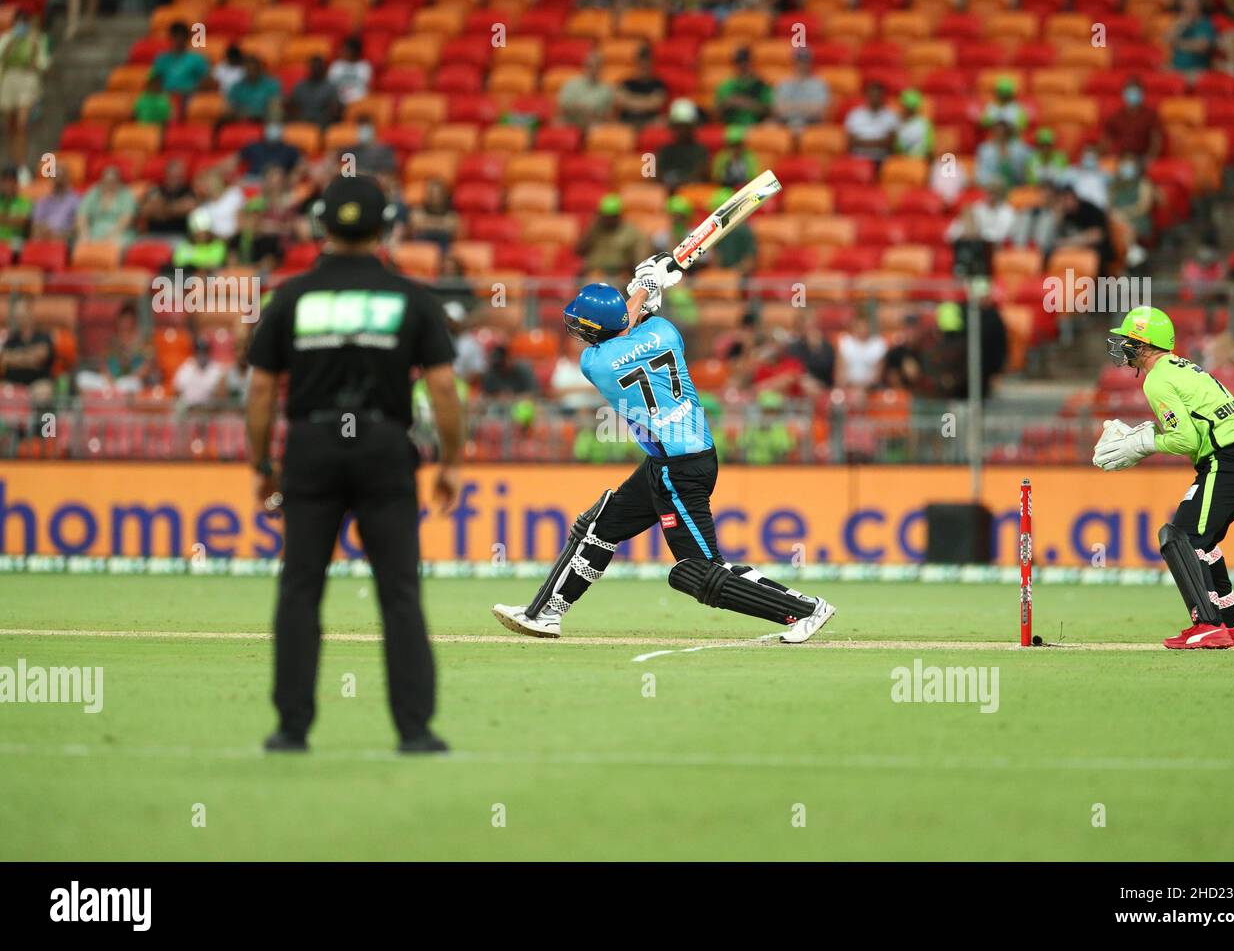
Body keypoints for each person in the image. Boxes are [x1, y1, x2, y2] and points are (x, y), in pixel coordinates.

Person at [491, 261, 836, 644]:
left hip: (680, 469)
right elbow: (634, 320)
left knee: (696, 570)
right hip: (673, 459)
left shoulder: (596, 363)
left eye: (581, 326)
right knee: (599, 525)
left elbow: (628, 318)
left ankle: (806, 609)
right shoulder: (666, 332)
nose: (576, 333)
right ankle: (546, 613)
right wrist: (650, 286)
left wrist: (645, 286)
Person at [245, 175, 465, 753]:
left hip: (311, 449)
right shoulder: (410, 298)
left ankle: (291, 729)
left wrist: (260, 464)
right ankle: (414, 730)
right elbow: (443, 389)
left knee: (299, 588)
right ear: (384, 227)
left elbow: (261, 391)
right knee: (398, 592)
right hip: (384, 449)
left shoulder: (290, 298)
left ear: (322, 226)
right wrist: (451, 462)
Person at [1093, 306, 1234, 649]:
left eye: (1129, 340)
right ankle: (1231, 627)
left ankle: (1208, 624)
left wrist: (1145, 442)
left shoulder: (1158, 378)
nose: (1123, 347)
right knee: (1202, 544)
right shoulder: (1183, 366)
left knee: (1181, 537)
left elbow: (1186, 439)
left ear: (1145, 345)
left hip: (1230, 459)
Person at [0, 10, 51, 171]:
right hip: (8, 80)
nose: (21, 25)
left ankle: (22, 165)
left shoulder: (37, 39)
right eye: (18, 21)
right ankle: (13, 162)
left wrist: (34, 48)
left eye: (24, 21)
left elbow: (43, 64)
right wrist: (11, 43)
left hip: (28, 80)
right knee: (9, 126)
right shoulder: (6, 38)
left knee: (22, 125)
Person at [576, 194, 647, 279]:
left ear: (619, 215)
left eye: (612, 217)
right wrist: (590, 232)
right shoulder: (594, 229)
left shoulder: (631, 233)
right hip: (595, 272)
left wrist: (628, 273)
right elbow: (579, 250)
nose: (608, 220)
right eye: (605, 216)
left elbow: (639, 261)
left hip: (620, 276)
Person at [0, 297, 54, 403]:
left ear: (29, 314)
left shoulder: (42, 336)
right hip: (13, 383)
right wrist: (28, 357)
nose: (18, 318)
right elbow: (4, 359)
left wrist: (14, 357)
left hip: (37, 383)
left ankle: (40, 420)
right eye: (16, 316)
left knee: (43, 392)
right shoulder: (12, 339)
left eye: (21, 315)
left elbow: (39, 357)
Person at [656, 98, 709, 190]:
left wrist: (684, 181)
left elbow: (702, 173)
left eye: (685, 127)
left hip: (692, 192)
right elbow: (657, 175)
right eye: (678, 127)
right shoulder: (665, 151)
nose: (682, 131)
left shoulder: (700, 150)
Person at [1103, 78, 1162, 159]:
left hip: (1140, 157)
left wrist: (1150, 158)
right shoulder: (1116, 116)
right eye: (1129, 92)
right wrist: (1106, 155)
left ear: (1142, 94)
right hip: (1119, 156)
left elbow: (1156, 140)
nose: (1132, 95)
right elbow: (1106, 138)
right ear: (1123, 94)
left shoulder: (1150, 115)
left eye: (1135, 92)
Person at [75, 166, 136, 243]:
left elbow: (126, 219)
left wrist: (110, 236)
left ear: (119, 181)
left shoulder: (126, 195)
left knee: (115, 244)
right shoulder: (94, 192)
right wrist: (84, 233)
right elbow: (82, 215)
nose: (109, 184)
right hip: (93, 231)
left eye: (113, 181)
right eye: (106, 181)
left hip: (119, 233)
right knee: (80, 243)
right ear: (101, 181)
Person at [138, 158, 196, 238]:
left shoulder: (189, 190)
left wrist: (160, 207)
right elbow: (145, 211)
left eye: (178, 176)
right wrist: (174, 208)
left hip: (178, 235)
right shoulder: (155, 189)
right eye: (172, 175)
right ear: (165, 174)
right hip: (152, 234)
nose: (175, 179)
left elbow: (188, 207)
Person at [772, 47, 828, 131]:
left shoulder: (819, 84)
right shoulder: (784, 83)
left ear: (810, 63)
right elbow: (777, 109)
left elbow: (819, 111)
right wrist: (806, 107)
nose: (802, 65)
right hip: (785, 123)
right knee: (767, 128)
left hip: (811, 125)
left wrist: (791, 107)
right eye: (799, 61)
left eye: (805, 61)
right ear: (794, 63)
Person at [715, 46, 771, 127]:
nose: (742, 64)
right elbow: (716, 112)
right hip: (730, 126)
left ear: (751, 62)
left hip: (756, 127)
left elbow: (768, 110)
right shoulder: (726, 85)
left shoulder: (761, 85)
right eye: (739, 61)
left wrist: (744, 103)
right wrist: (727, 104)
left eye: (745, 60)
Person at [150, 22, 209, 96]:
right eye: (175, 36)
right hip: (167, 96)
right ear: (170, 38)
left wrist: (192, 90)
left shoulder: (197, 59)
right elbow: (154, 81)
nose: (178, 40)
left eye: (181, 36)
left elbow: (206, 81)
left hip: (189, 96)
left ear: (186, 38)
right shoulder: (162, 59)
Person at [614, 43, 666, 127]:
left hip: (649, 122)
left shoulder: (657, 84)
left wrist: (630, 101)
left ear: (651, 64)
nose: (644, 66)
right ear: (637, 63)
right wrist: (646, 102)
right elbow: (620, 101)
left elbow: (656, 103)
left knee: (661, 122)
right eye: (641, 63)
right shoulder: (627, 82)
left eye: (646, 63)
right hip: (627, 121)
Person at [557, 51, 613, 128]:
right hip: (570, 121)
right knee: (558, 124)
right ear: (584, 66)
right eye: (590, 66)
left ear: (601, 68)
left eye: (597, 66)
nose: (593, 69)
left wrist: (593, 113)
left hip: (593, 124)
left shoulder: (607, 89)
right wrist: (579, 108)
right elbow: (562, 107)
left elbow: (608, 115)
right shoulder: (572, 84)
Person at [844, 81, 898, 162]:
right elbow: (851, 142)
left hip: (881, 159)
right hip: (858, 160)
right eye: (872, 95)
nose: (874, 98)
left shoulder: (891, 116)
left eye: (877, 95)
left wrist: (861, 142)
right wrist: (879, 142)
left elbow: (889, 143)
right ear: (866, 96)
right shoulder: (855, 114)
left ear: (883, 97)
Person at [1166, 0, 1217, 75]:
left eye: (1191, 1)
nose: (1187, 4)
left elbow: (1201, 47)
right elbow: (1167, 40)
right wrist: (1180, 26)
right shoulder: (1180, 23)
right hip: (1176, 69)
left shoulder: (1205, 24)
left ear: (1199, 4)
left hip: (1195, 71)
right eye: (1185, 1)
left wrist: (1177, 43)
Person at [172, 336, 225, 408]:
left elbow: (221, 395)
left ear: (209, 352)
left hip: (209, 411)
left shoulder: (216, 369)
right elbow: (177, 391)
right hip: (189, 411)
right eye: (199, 351)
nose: (201, 355)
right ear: (194, 352)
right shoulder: (186, 368)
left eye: (204, 351)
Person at [287, 56, 340, 129]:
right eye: (312, 67)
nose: (315, 70)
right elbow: (292, 106)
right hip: (302, 121)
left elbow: (334, 110)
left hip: (322, 124)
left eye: (318, 67)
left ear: (323, 69)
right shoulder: (300, 86)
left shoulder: (330, 87)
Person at [30, 166, 80, 241]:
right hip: (43, 238)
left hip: (65, 240)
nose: (58, 181)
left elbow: (77, 227)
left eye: (61, 177)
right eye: (55, 177)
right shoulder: (43, 201)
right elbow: (35, 226)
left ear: (67, 179)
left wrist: (60, 235)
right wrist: (44, 232)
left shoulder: (76, 200)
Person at [226, 55, 281, 122]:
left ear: (259, 69)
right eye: (248, 69)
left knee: (275, 108)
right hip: (242, 119)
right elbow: (231, 107)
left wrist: (254, 112)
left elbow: (274, 105)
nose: (251, 72)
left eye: (254, 69)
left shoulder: (271, 85)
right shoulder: (237, 87)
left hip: (265, 119)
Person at [327, 36, 371, 107]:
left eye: (346, 50)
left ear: (354, 51)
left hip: (358, 103)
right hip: (339, 103)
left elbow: (367, 88)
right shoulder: (336, 65)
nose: (342, 51)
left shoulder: (365, 67)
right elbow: (330, 87)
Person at [894, 89, 933, 158]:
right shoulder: (897, 122)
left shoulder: (924, 124)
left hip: (918, 160)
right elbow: (896, 147)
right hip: (901, 159)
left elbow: (929, 148)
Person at [0, 165, 32, 246]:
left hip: (15, 242)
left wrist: (4, 219)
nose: (7, 185)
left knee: (17, 245)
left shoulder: (25, 202)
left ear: (16, 183)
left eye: (11, 181)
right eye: (5, 181)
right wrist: (12, 219)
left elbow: (23, 221)